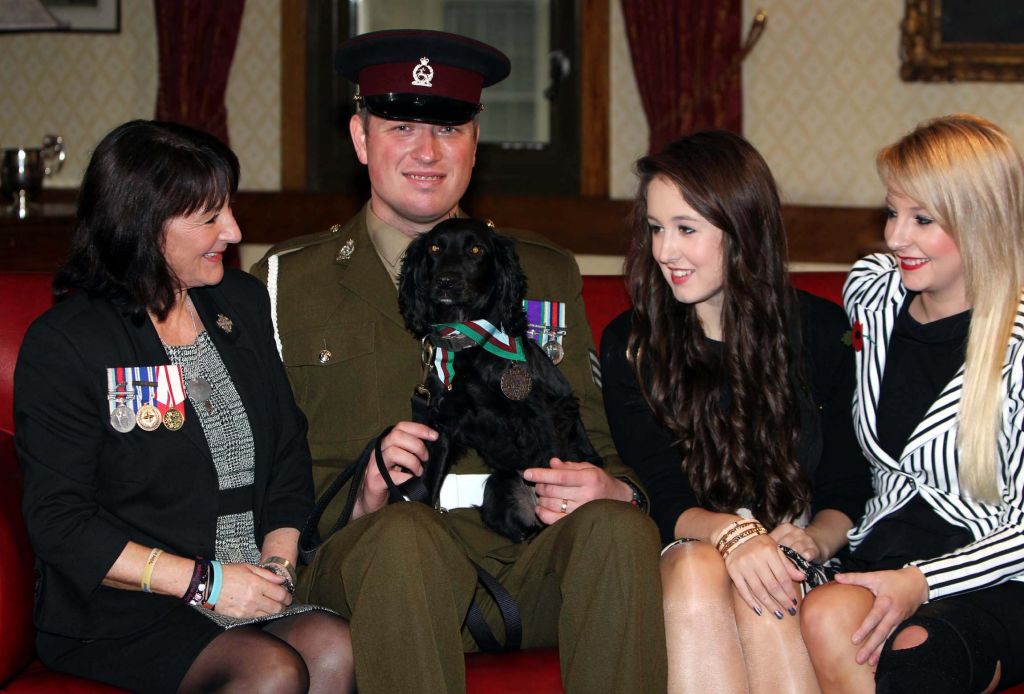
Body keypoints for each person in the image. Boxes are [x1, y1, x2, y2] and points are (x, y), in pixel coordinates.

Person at [252, 29, 666, 694]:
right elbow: (262, 476)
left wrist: (615, 489)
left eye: (449, 130)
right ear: (361, 140)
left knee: (617, 528)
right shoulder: (284, 284)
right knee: (402, 535)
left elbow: (593, 438)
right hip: (366, 567)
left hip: (520, 562)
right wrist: (360, 500)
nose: (427, 151)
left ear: (475, 143)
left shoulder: (545, 272)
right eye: (400, 127)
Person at [14, 120, 354, 694]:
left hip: (248, 583)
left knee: (335, 647)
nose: (235, 230)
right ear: (144, 227)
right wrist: (205, 584)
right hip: (130, 604)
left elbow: (289, 447)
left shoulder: (239, 302)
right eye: (210, 218)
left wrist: (277, 560)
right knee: (271, 672)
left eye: (230, 209)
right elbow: (60, 524)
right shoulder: (70, 343)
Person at [600, 130, 872, 693]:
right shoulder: (632, 342)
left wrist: (814, 540)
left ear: (742, 229)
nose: (665, 251)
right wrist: (731, 536)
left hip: (796, 556)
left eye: (686, 229)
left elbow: (850, 481)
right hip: (684, 552)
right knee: (702, 568)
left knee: (765, 578)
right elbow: (659, 490)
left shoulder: (820, 330)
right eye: (655, 228)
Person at [799, 114, 1024, 693]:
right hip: (878, 548)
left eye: (923, 219)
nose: (897, 237)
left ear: (981, 221)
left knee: (915, 658)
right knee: (777, 606)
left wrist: (922, 582)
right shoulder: (871, 293)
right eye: (893, 213)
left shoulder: (1018, 343)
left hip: (993, 572)